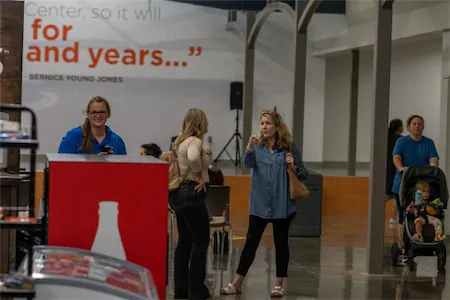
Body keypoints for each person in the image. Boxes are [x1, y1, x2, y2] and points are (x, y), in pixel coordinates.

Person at [220, 108, 308, 298]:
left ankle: (278, 284)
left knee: (281, 244)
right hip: (259, 204)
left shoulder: (289, 147)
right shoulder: (257, 146)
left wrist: (293, 167)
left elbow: (304, 173)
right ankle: (237, 283)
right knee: (250, 244)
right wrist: (249, 147)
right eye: (261, 123)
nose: (264, 127)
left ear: (277, 127)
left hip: (282, 205)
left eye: (268, 123)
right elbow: (247, 164)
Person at [169, 108, 211, 300]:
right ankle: (197, 291)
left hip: (178, 195)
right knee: (201, 242)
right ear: (201, 123)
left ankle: (180, 289)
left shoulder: (178, 141)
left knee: (184, 242)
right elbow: (194, 157)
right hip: (192, 193)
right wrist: (200, 175)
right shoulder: (194, 141)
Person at [392, 115, 439, 229]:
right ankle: (402, 243)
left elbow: (434, 158)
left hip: (422, 182)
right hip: (403, 180)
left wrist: (433, 166)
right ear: (408, 127)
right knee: (404, 215)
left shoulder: (428, 142)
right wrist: (401, 168)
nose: (417, 126)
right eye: (414, 124)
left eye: (420, 124)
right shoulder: (401, 141)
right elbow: (396, 157)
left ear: (423, 127)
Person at [58, 96, 126, 155]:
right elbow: (61, 166)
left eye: (102, 112)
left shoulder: (117, 141)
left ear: (109, 114)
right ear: (88, 114)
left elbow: (124, 168)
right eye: (94, 112)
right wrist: (94, 164)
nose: (98, 115)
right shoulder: (72, 137)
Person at [386, 119, 403, 225]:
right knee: (397, 194)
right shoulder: (401, 140)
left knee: (386, 194)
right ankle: (393, 218)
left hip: (386, 168)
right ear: (400, 127)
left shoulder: (386, 138)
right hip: (396, 168)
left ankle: (377, 214)